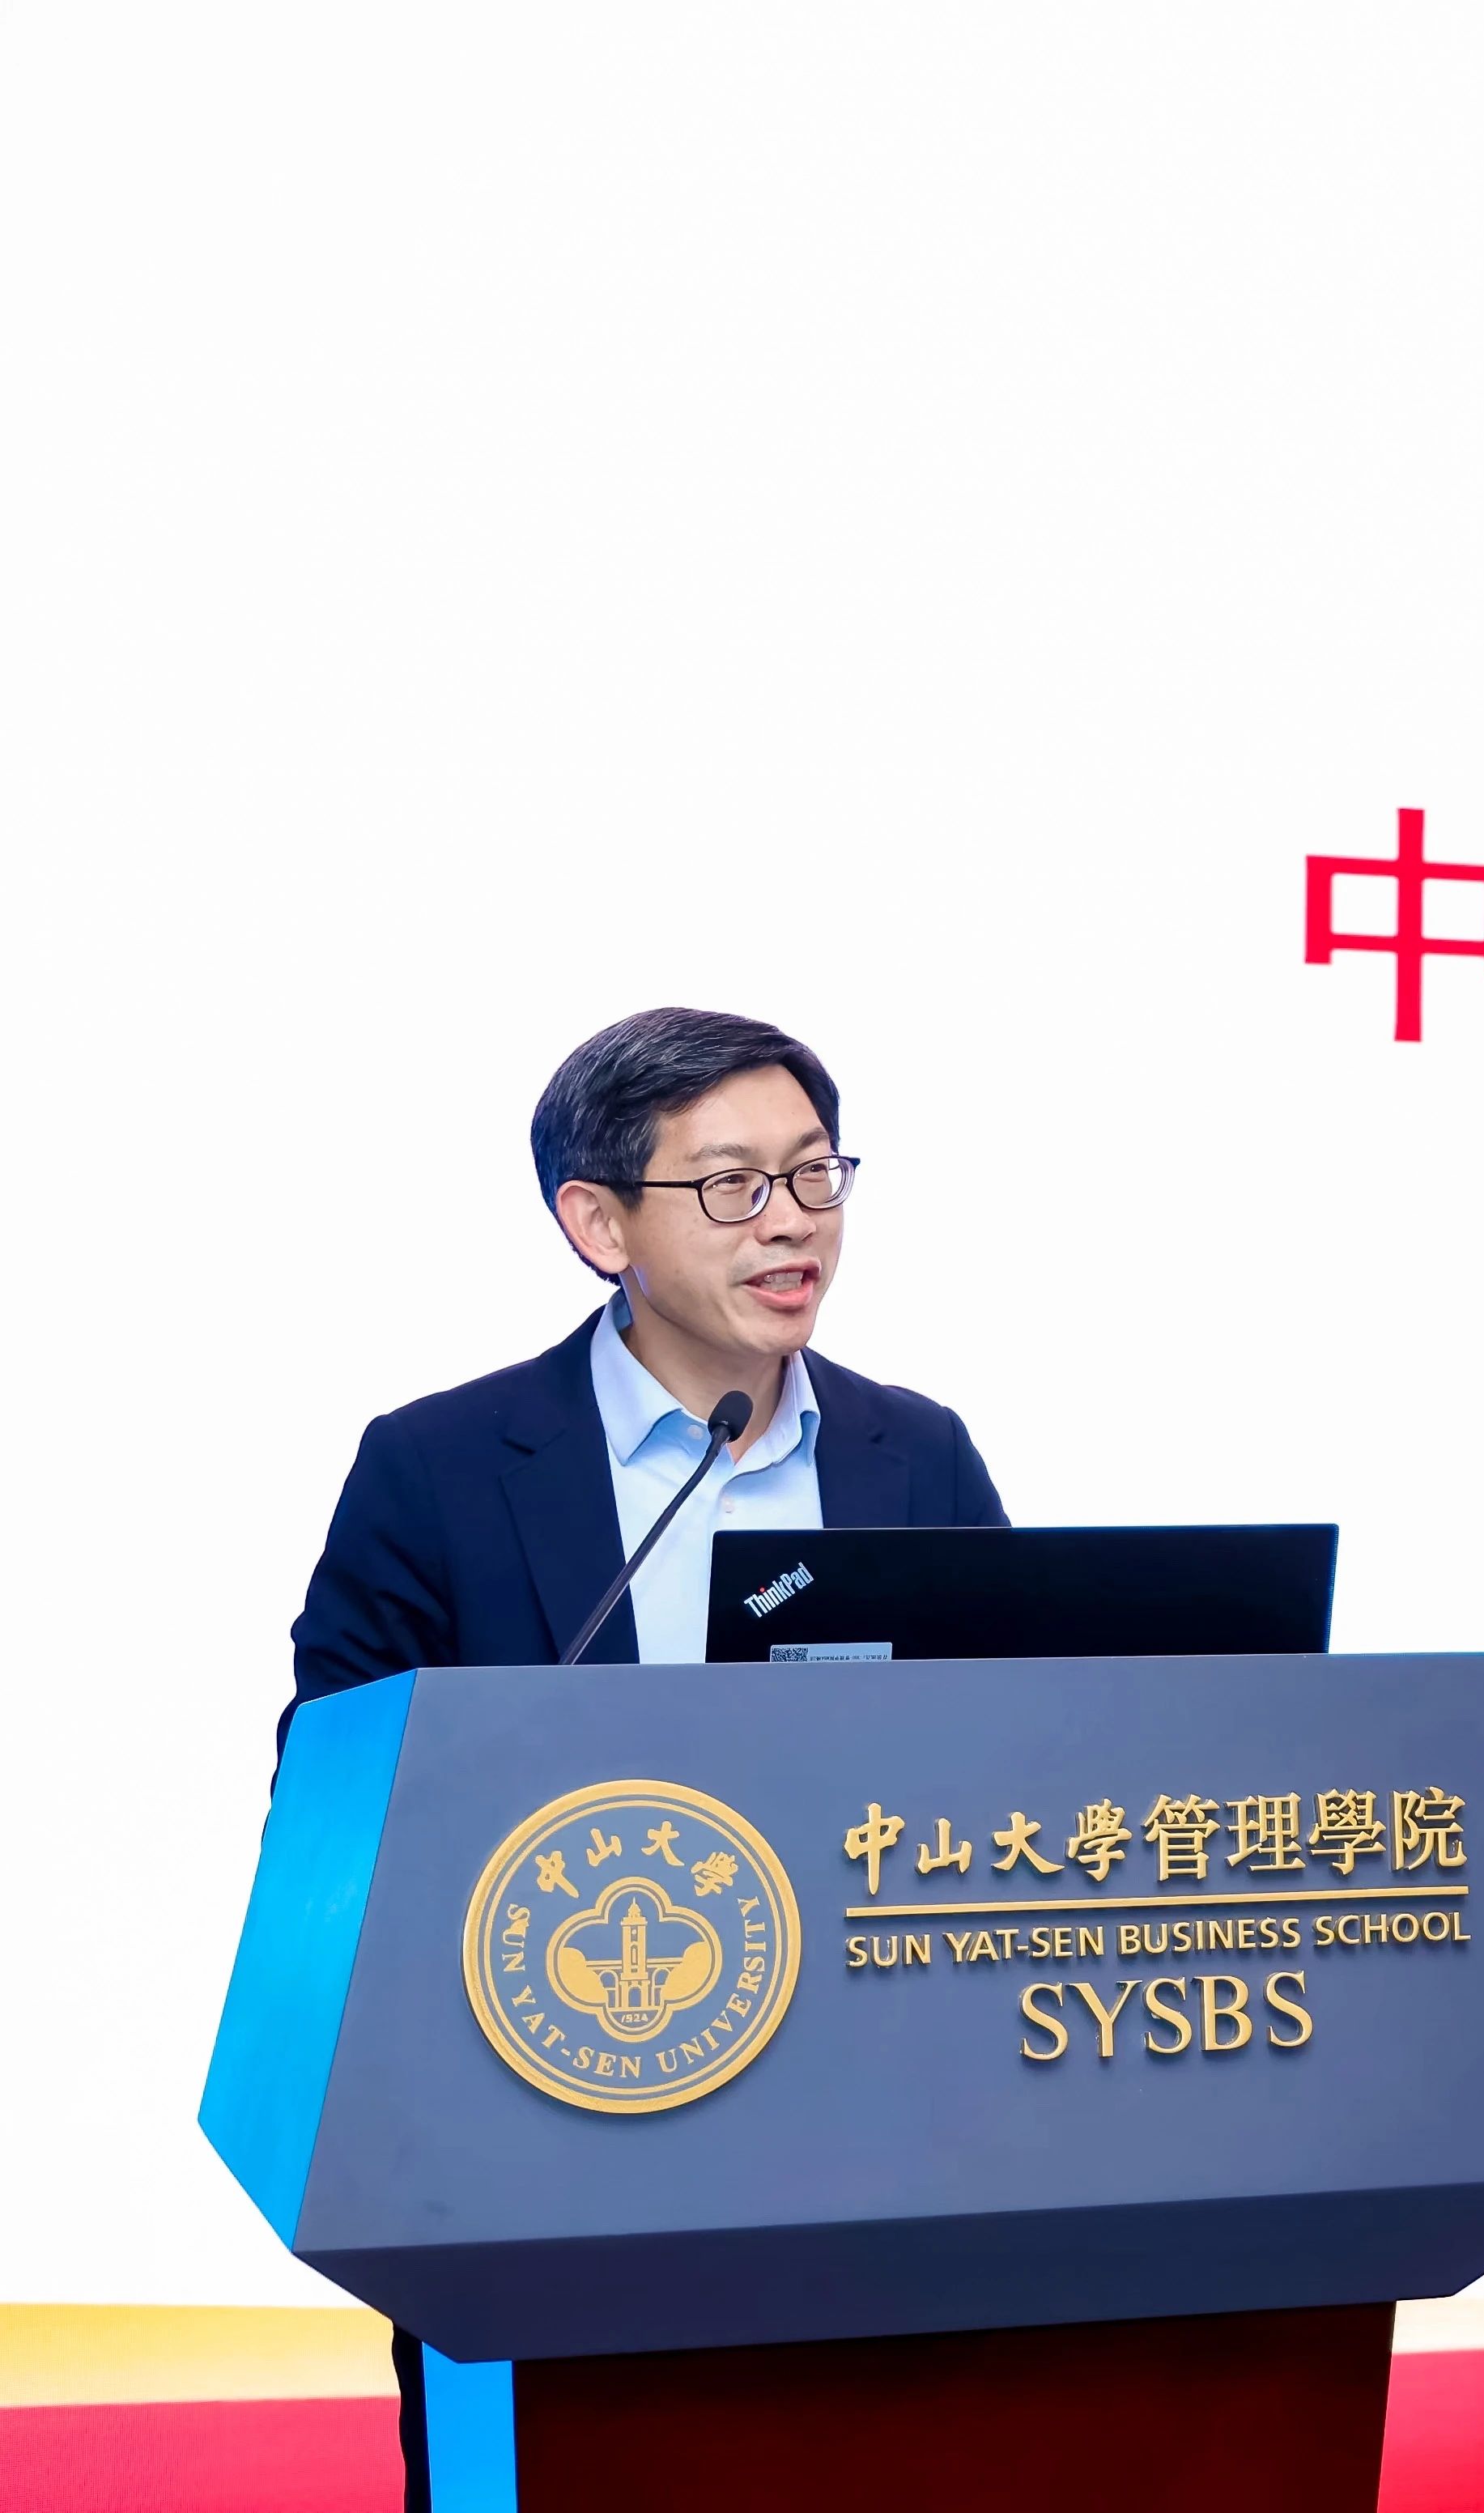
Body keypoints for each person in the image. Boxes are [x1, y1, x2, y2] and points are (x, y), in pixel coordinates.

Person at [282, 1006, 1007, 2510]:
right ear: (599, 1224)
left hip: (876, 2134)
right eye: (732, 1184)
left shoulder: (915, 1454)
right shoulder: (440, 1467)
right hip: (548, 2127)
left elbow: (1016, 1755)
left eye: (816, 1173)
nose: (792, 1222)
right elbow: (331, 1785)